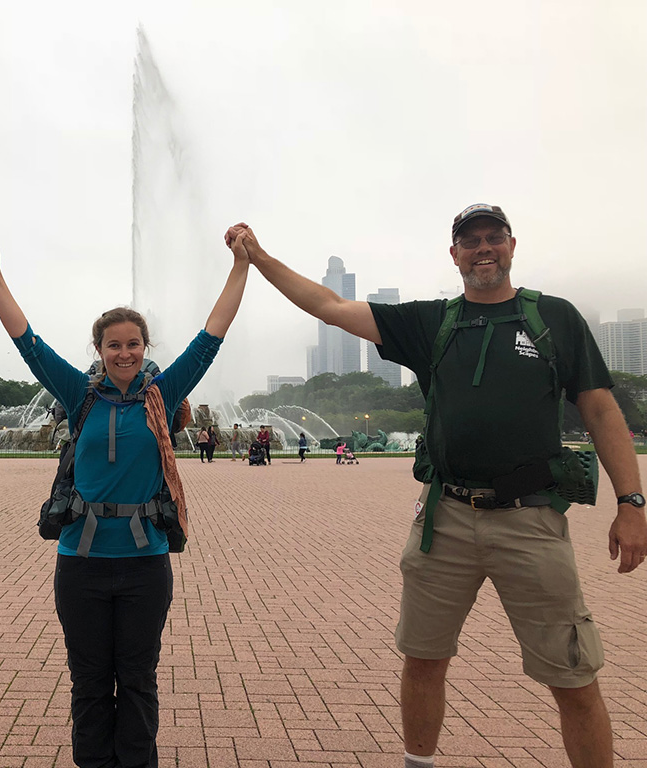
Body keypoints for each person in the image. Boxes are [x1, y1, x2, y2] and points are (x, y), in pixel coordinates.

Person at [227, 208, 647, 768]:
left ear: (512, 245)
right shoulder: (431, 322)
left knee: (572, 672)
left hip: (531, 520)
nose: (482, 249)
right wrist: (258, 257)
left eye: (492, 239)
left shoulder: (555, 318)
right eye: (469, 242)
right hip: (444, 519)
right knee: (423, 657)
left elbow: (598, 407)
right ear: (454, 254)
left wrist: (632, 502)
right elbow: (328, 307)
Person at [0, 234, 248, 768]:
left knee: (139, 679)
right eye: (113, 345)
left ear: (146, 349)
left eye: (134, 344)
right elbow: (25, 340)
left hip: (145, 564)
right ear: (99, 351)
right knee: (91, 682)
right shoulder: (80, 395)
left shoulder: (163, 395)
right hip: (81, 563)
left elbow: (212, 336)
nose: (125, 353)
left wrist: (240, 265)